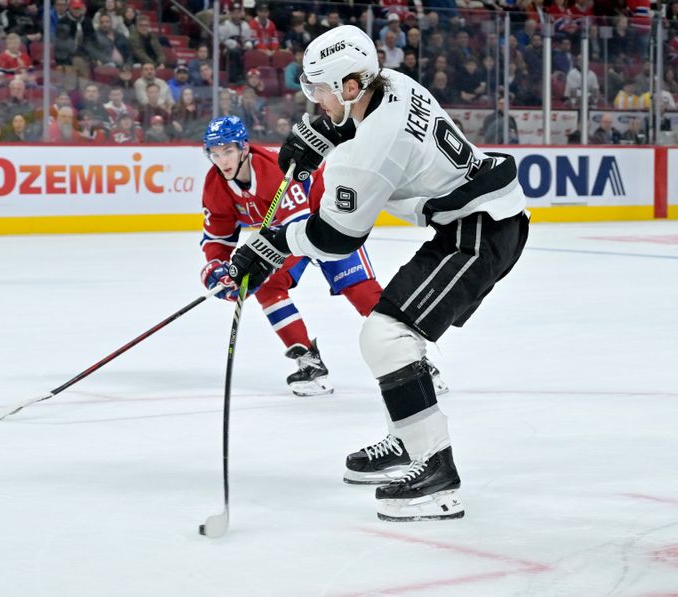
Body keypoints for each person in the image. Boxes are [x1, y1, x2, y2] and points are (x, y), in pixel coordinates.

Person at [227, 26, 528, 520]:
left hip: (481, 230)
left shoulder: (368, 155)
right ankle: (410, 440)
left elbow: (337, 238)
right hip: (478, 217)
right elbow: (361, 126)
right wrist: (326, 134)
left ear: (349, 87)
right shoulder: (390, 81)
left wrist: (273, 245)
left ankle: (436, 475)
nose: (314, 99)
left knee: (387, 336)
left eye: (320, 89)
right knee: (389, 332)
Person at [201, 115, 382, 396]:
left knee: (360, 290)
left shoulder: (274, 168)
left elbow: (296, 230)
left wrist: (254, 265)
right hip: (284, 236)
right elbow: (218, 238)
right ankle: (309, 362)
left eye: (228, 151)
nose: (221, 160)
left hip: (328, 222)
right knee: (266, 286)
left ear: (244, 148)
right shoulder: (216, 185)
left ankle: (412, 359)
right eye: (215, 153)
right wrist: (218, 268)